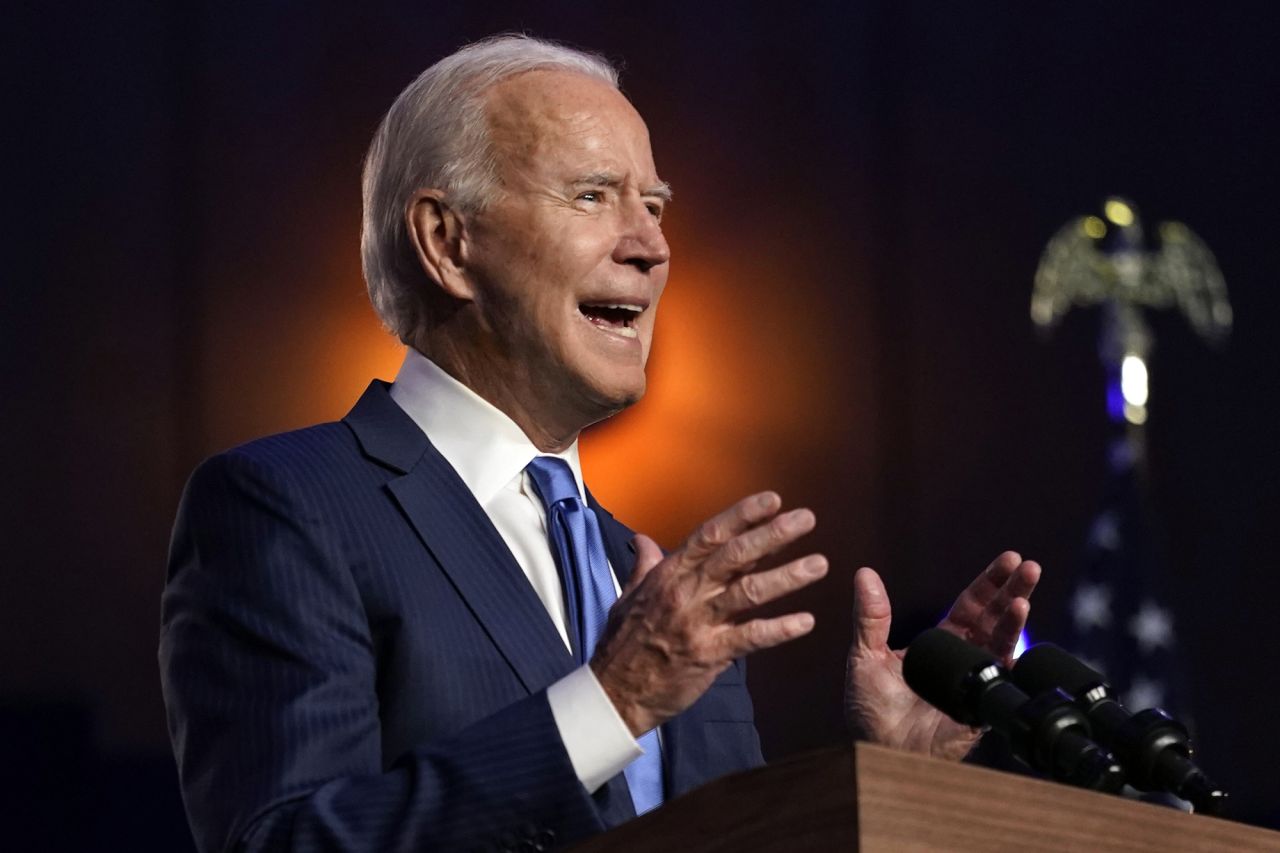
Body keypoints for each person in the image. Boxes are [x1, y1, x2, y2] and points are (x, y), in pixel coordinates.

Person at [159, 34, 1040, 853]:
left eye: (655, 206)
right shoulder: (284, 505)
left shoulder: (652, 584)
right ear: (447, 242)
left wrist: (886, 781)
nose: (652, 245)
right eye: (592, 195)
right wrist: (610, 699)